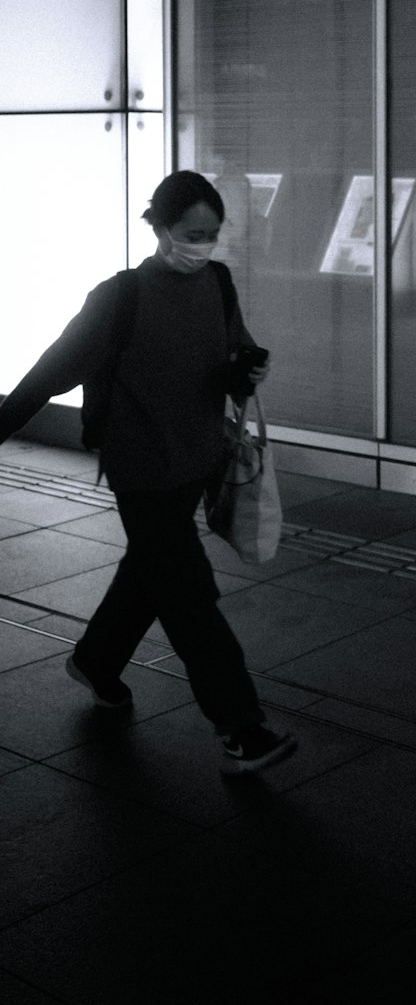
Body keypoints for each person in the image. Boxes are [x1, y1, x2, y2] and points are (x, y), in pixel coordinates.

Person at [0, 171, 296, 774]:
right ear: (159, 228)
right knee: (188, 594)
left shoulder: (217, 282)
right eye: (193, 233)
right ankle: (242, 728)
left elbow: (230, 355)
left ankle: (97, 661)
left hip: (195, 460)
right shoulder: (120, 297)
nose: (204, 245)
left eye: (213, 234)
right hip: (142, 469)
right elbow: (50, 371)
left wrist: (246, 370)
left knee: (150, 573)